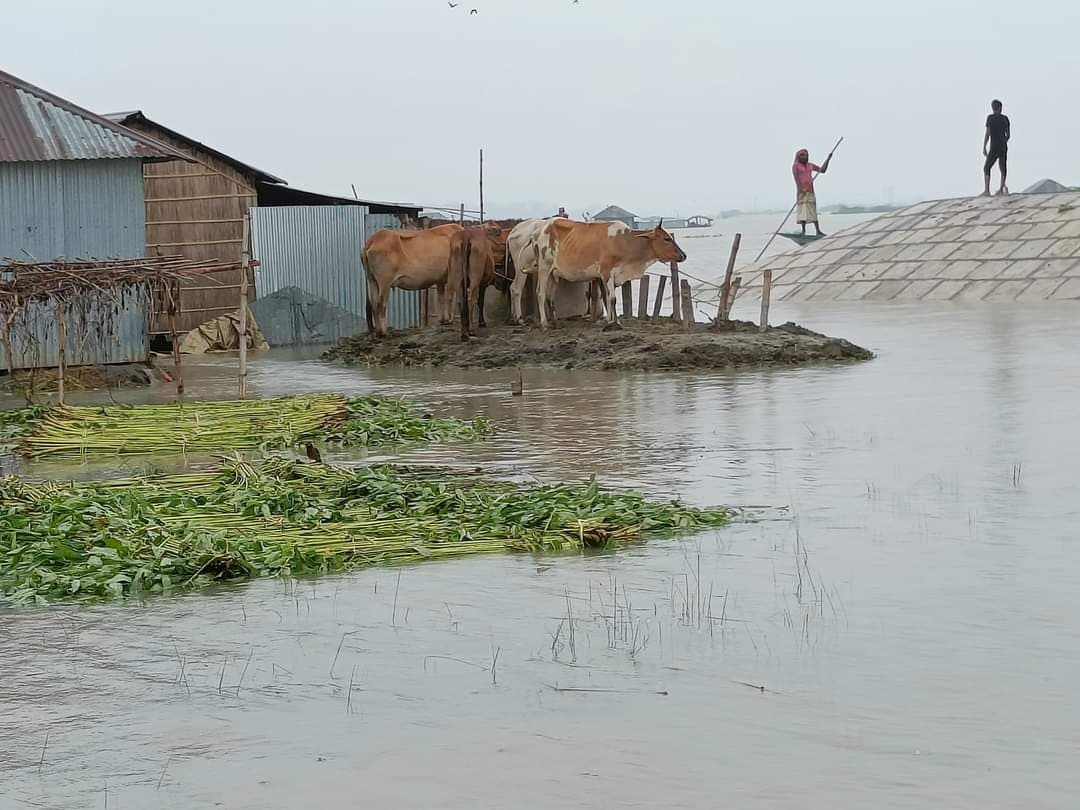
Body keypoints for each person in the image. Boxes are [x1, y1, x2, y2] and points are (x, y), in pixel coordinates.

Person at [793, 148, 832, 237]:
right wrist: (800, 189)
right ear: (798, 157)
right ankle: (803, 231)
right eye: (802, 155)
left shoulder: (810, 165)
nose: (805, 157)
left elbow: (822, 170)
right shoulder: (796, 166)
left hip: (810, 191)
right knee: (803, 211)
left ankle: (818, 231)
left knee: (812, 210)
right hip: (801, 192)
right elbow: (796, 179)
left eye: (806, 155)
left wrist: (828, 160)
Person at [983, 99, 1011, 196]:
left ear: (993, 108)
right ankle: (1001, 189)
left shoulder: (990, 118)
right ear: (1000, 108)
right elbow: (1008, 135)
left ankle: (987, 190)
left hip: (994, 146)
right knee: (1003, 167)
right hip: (1003, 146)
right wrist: (1004, 141)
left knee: (987, 167)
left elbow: (988, 133)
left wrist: (984, 146)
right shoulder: (1005, 119)